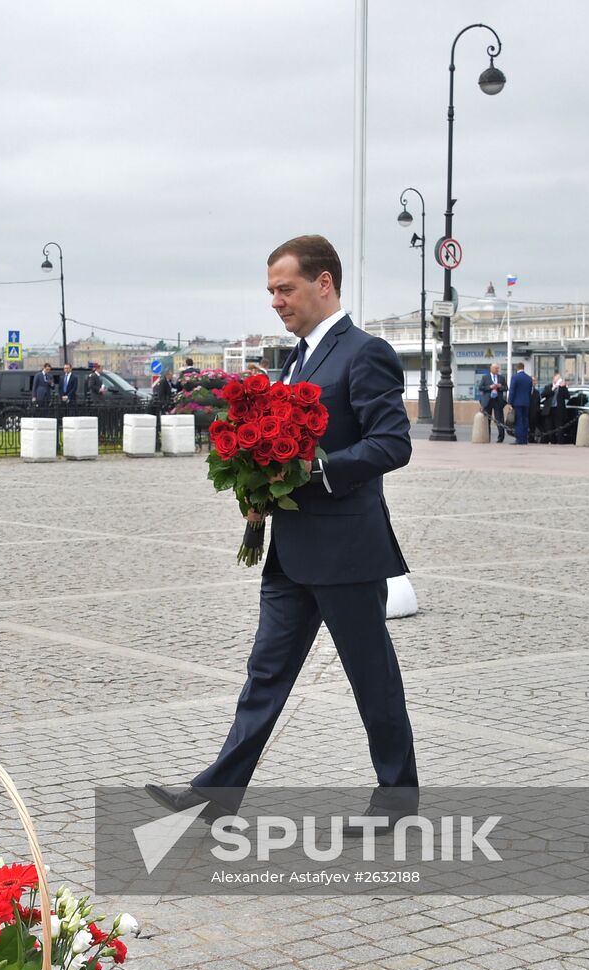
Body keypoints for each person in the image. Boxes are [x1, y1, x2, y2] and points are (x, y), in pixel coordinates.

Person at [146, 234, 417, 824]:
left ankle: (397, 802)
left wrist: (314, 471)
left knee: (372, 680)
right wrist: (259, 487)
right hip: (291, 550)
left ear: (324, 283)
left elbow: (392, 443)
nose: (275, 301)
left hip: (346, 549)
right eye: (270, 291)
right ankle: (216, 797)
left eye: (285, 288)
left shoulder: (364, 352)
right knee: (264, 676)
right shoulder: (294, 358)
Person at [477, 362, 507, 443]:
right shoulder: (485, 377)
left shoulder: (501, 378)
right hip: (488, 401)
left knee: (499, 419)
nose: (497, 370)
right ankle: (487, 437)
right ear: (491, 369)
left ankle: (501, 438)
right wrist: (490, 387)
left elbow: (506, 388)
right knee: (487, 420)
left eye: (498, 368)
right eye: (496, 368)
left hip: (498, 400)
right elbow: (480, 387)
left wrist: (500, 387)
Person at [508, 362, 534, 445]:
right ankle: (525, 439)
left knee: (518, 420)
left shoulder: (515, 377)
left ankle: (519, 439)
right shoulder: (529, 378)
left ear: (517, 368)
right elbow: (530, 391)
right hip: (526, 402)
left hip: (517, 402)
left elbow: (512, 391)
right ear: (523, 368)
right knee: (525, 420)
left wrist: (510, 403)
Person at [546, 371, 570, 443]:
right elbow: (544, 394)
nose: (559, 380)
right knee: (550, 427)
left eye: (560, 378)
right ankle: (552, 441)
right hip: (550, 410)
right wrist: (553, 388)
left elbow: (567, 397)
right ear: (554, 379)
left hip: (558, 410)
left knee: (559, 426)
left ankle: (560, 442)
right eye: (557, 378)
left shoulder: (562, 388)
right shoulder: (548, 387)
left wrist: (565, 387)